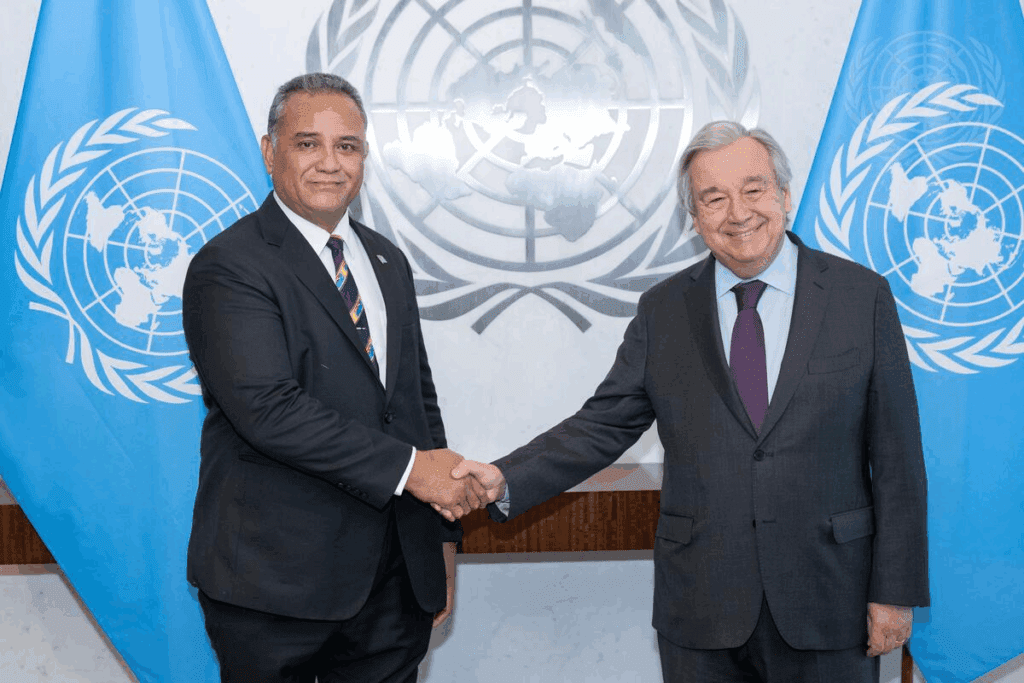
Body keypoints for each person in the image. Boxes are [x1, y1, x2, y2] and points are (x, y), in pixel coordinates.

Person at [450, 121, 929, 682]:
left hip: (830, 597)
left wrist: (894, 592)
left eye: (753, 190)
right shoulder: (664, 310)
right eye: (714, 198)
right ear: (695, 219)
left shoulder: (860, 297)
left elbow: (898, 459)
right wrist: (505, 477)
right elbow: (602, 425)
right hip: (702, 607)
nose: (738, 213)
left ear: (784, 195)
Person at [182, 72, 484, 683]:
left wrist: (439, 539)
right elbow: (269, 410)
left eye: (347, 146)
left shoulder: (386, 260)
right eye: (307, 143)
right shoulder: (229, 265)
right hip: (275, 584)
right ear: (270, 152)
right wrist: (412, 471)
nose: (330, 163)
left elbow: (415, 402)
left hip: (395, 580)